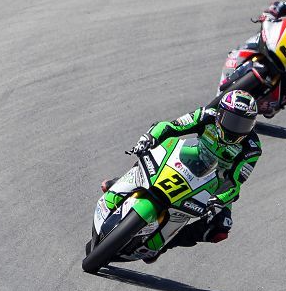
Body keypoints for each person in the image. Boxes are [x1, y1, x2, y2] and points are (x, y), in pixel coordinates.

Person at [99, 90, 262, 262]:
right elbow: (171, 126)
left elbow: (235, 182)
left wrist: (218, 200)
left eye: (243, 124)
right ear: (220, 114)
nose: (235, 129)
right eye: (232, 121)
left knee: (220, 229)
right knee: (151, 151)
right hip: (193, 157)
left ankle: (165, 244)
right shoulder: (206, 115)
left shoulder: (252, 148)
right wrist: (149, 138)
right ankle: (123, 182)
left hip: (216, 184)